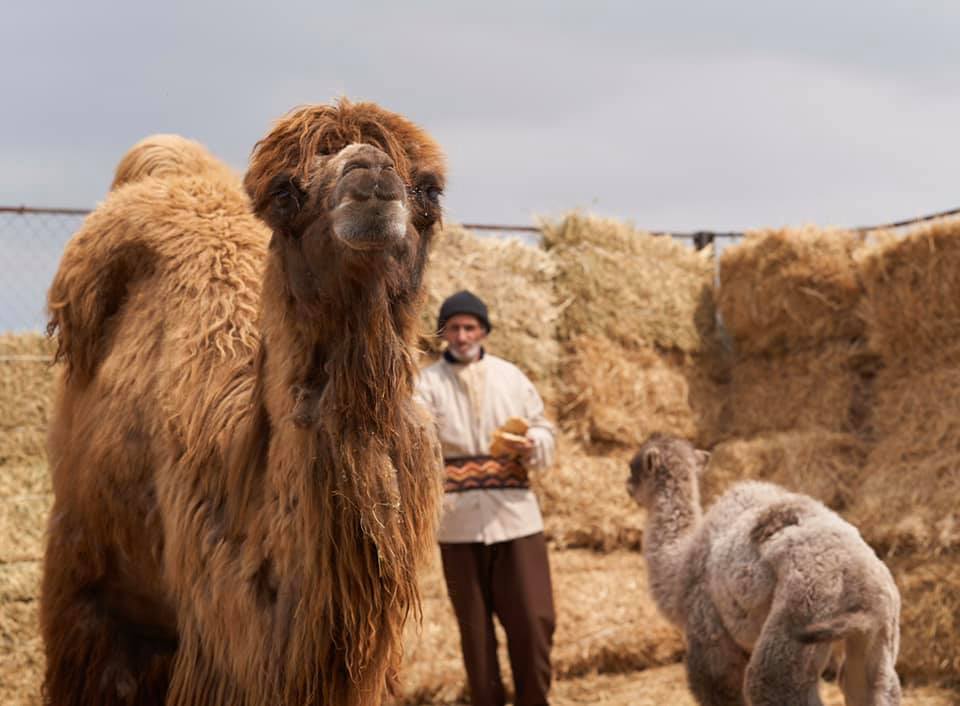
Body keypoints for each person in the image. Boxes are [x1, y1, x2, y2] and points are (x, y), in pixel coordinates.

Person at [416, 290, 557, 706]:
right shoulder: (424, 384)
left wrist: (534, 443)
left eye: (470, 327)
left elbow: (544, 428)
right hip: (458, 524)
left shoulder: (511, 377)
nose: (462, 335)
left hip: (516, 519)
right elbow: (414, 440)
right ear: (444, 334)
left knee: (534, 620)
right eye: (454, 328)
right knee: (476, 635)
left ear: (483, 331)